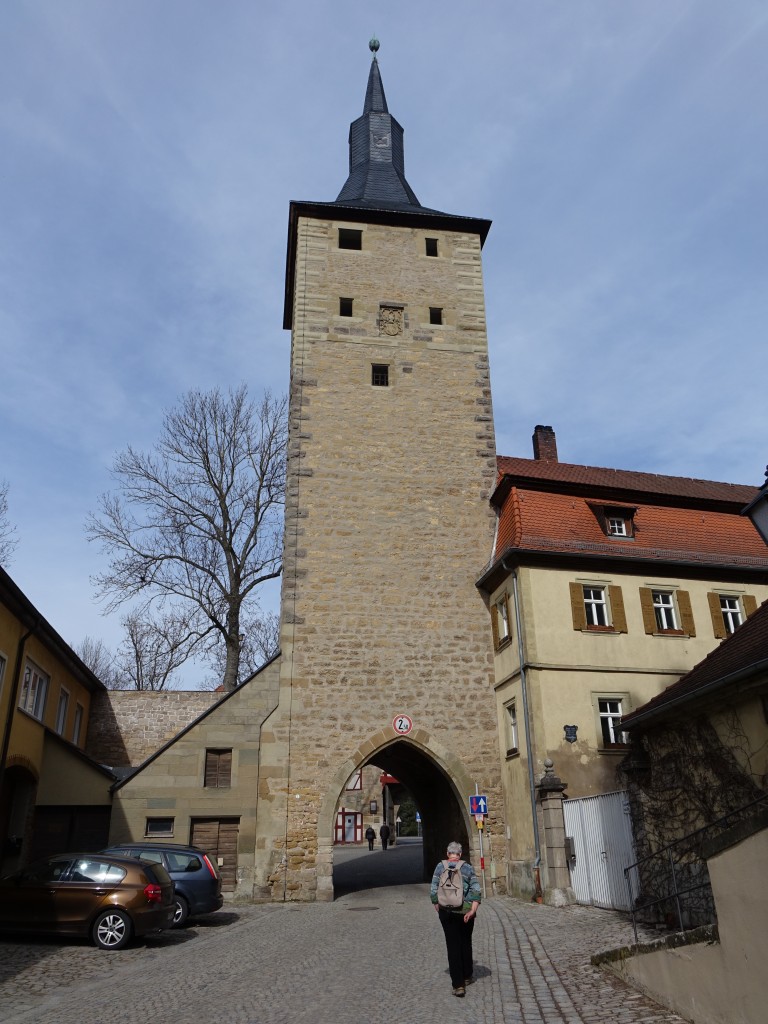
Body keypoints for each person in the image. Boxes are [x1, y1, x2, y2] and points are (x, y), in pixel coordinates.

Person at [430, 841, 481, 997]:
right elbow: (476, 890)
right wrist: (472, 910)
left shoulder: (440, 867)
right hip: (465, 911)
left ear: (448, 853)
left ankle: (458, 985)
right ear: (460, 854)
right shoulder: (467, 868)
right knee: (465, 941)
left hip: (447, 911)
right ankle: (467, 975)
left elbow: (433, 889)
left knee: (452, 946)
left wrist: (437, 905)